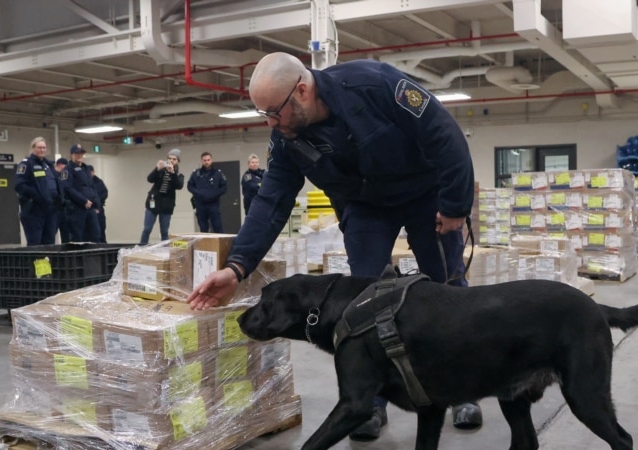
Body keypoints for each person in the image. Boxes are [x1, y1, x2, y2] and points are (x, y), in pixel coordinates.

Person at [186, 52, 479, 439]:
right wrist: (237, 266)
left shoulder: (375, 85)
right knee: (364, 305)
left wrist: (455, 205)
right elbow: (271, 201)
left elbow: (444, 134)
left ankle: (461, 390)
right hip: (364, 208)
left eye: (274, 112)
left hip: (424, 195)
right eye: (265, 115)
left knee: (446, 291)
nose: (271, 124)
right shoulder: (287, 138)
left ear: (302, 91)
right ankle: (370, 403)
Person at [14, 137, 62, 246]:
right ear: (33, 148)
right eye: (39, 147)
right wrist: (37, 196)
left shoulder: (48, 165)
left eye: (44, 148)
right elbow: (19, 185)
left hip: (50, 210)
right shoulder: (26, 164)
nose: (42, 150)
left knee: (49, 242)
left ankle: (46, 263)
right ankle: (34, 263)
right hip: (34, 210)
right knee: (35, 243)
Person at [139, 149, 184, 244]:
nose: (171, 161)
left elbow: (179, 186)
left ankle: (165, 251)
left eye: (174, 159)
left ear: (178, 161)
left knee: (164, 231)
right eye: (169, 158)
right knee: (147, 229)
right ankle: (141, 248)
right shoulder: (160, 171)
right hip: (153, 202)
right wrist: (157, 169)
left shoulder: (179, 175)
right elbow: (149, 179)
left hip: (167, 205)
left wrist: (172, 173)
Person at [63, 144, 101, 242]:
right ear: (71, 155)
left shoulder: (86, 169)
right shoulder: (68, 170)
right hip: (77, 208)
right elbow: (68, 188)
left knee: (95, 235)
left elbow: (92, 187)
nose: (80, 156)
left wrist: (97, 205)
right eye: (77, 153)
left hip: (91, 208)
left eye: (81, 153)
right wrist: (83, 201)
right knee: (78, 237)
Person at [187, 151, 227, 232]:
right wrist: (199, 193)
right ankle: (205, 244)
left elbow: (224, 187)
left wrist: (214, 194)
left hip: (214, 204)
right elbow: (189, 186)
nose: (206, 162)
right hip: (200, 204)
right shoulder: (196, 173)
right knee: (203, 228)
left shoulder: (217, 173)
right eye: (204, 160)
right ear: (201, 161)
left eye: (208, 160)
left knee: (217, 227)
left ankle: (220, 244)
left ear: (211, 160)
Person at [54, 157, 72, 243]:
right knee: (52, 232)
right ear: (60, 165)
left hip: (64, 209)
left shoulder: (63, 176)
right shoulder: (53, 175)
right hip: (55, 208)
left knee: (66, 233)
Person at [90, 166, 109, 243]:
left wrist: (97, 202)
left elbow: (104, 193)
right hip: (89, 208)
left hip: (99, 208)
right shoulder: (83, 182)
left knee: (101, 228)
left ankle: (102, 244)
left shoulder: (99, 182)